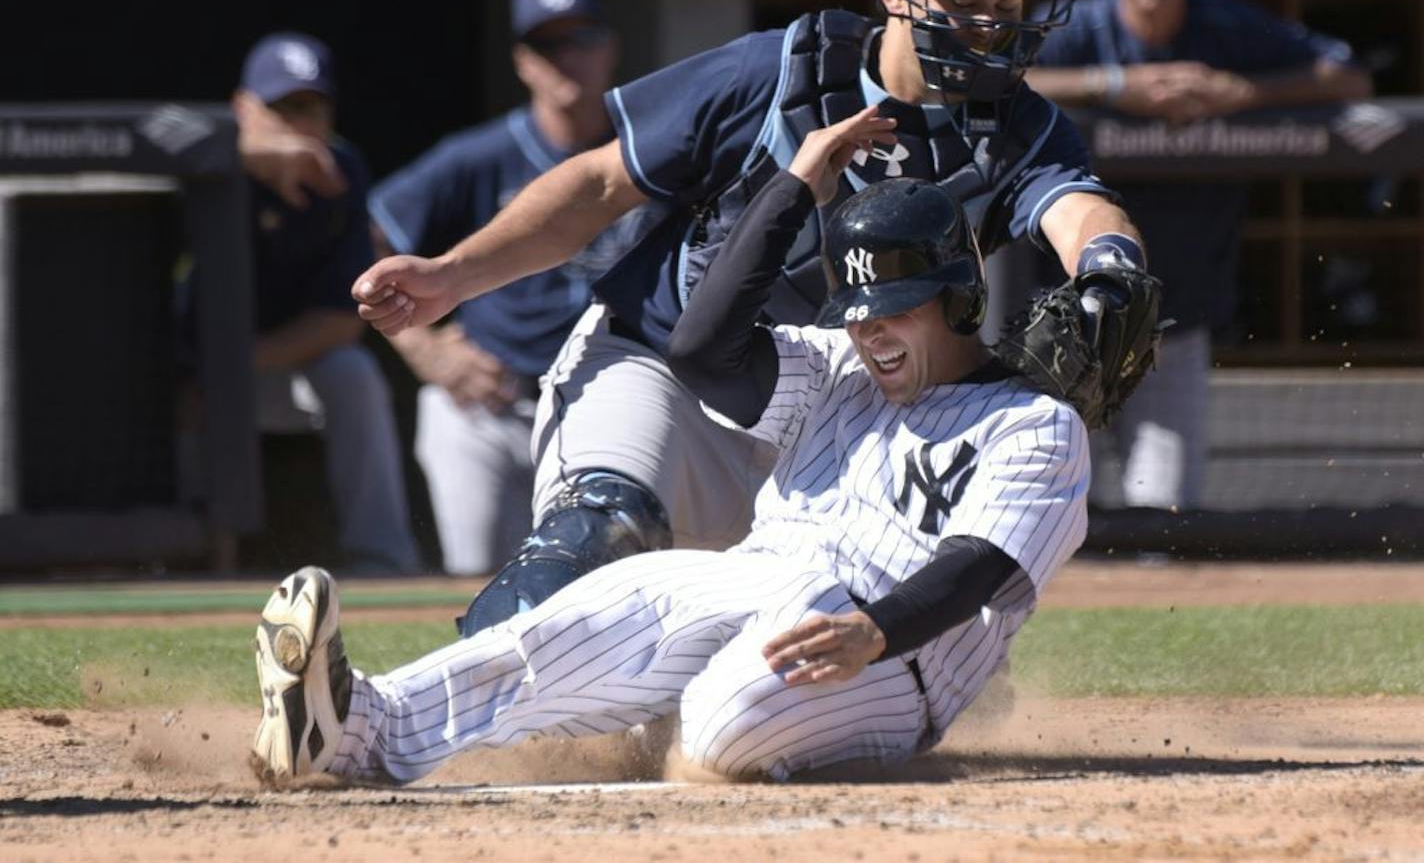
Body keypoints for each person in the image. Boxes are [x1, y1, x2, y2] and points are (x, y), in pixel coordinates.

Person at [351, 0, 1146, 637]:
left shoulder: (1024, 129)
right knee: (600, 530)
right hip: (662, 362)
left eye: (1008, 7)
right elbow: (599, 185)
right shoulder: (779, 71)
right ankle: (431, 716)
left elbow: (1079, 208)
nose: (988, 27)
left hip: (833, 413)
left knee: (792, 651)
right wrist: (451, 275)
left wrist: (1111, 268)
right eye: (964, 0)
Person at [249, 109, 1089, 785]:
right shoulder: (840, 368)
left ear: (958, 299)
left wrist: (872, 629)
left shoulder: (1033, 425)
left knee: (721, 726)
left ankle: (660, 709)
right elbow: (700, 350)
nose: (871, 333)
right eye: (860, 313)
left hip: (894, 659)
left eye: (896, 309)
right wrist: (793, 184)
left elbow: (980, 564)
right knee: (594, 617)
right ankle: (358, 727)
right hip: (757, 578)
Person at [1028, 0, 1372, 509]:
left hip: (1171, 326)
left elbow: (1349, 74)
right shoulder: (1084, 30)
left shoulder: (1225, 31)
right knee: (1038, 517)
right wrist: (1115, 87)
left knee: (1161, 519)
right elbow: (993, 78)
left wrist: (1246, 93)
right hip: (1061, 323)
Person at [368, 0, 634, 576]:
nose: (567, 58)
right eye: (548, 45)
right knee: (477, 585)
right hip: (489, 401)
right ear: (522, 62)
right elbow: (364, 239)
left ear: (610, 47)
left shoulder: (650, 146)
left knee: (608, 592)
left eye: (582, 38)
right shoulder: (480, 156)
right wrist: (424, 350)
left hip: (614, 403)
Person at [234, 32, 422, 575]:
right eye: (282, 108)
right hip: (181, 380)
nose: (298, 126)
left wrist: (232, 369)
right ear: (242, 109)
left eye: (311, 108)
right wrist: (240, 152)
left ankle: (382, 560)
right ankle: (171, 558)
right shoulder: (208, 167)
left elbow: (342, 322)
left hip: (265, 371)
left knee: (352, 371)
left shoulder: (341, 173)